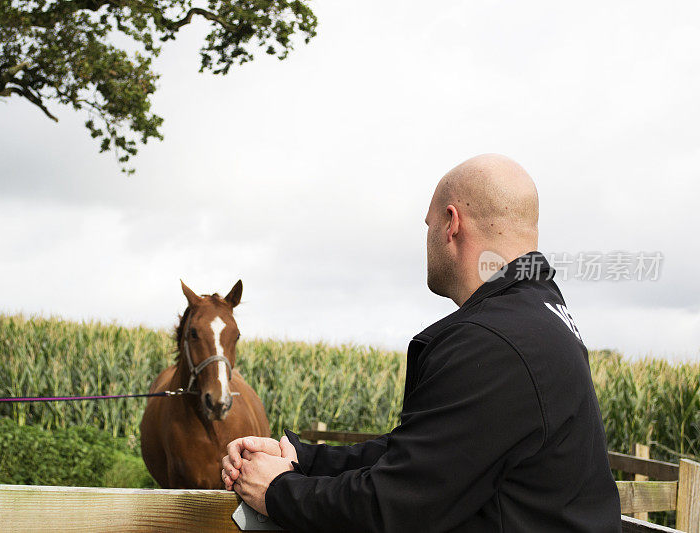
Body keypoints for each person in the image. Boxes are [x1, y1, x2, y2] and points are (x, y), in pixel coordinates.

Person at [221, 154, 621, 532]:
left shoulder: (494, 343)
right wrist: (303, 460)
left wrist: (278, 491)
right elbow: (432, 454)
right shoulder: (537, 318)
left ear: (451, 223)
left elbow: (393, 507)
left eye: (427, 225)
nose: (427, 239)